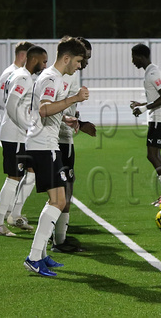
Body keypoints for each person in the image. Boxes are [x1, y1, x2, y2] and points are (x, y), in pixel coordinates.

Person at [23, 37, 88, 277]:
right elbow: (44, 109)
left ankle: (39, 255)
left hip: (47, 144)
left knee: (58, 201)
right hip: (43, 145)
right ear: (67, 58)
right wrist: (74, 99)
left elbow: (50, 110)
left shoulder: (54, 77)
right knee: (58, 201)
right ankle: (33, 256)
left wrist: (67, 118)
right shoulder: (52, 78)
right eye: (79, 61)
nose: (80, 66)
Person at [0, 46, 48, 236]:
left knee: (32, 172)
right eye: (44, 61)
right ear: (33, 60)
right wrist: (26, 125)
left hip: (19, 134)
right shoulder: (23, 77)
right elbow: (11, 104)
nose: (45, 65)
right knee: (14, 177)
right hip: (15, 135)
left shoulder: (21, 75)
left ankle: (15, 214)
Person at [52, 37, 96, 253]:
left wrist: (77, 119)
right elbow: (52, 108)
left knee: (63, 190)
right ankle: (58, 241)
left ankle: (59, 238)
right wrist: (76, 121)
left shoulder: (63, 76)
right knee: (62, 192)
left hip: (61, 137)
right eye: (83, 58)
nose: (84, 63)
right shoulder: (64, 77)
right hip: (59, 139)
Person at [130, 43, 161, 206]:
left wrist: (144, 108)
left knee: (152, 155)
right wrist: (142, 103)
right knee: (154, 155)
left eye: (133, 57)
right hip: (157, 118)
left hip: (160, 118)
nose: (132, 61)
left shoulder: (153, 72)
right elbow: (157, 97)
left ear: (140, 57)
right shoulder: (150, 72)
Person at [0, 41, 34, 134]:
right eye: (31, 56)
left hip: (15, 124)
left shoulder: (18, 72)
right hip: (13, 126)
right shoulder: (10, 73)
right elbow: (3, 101)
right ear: (22, 55)